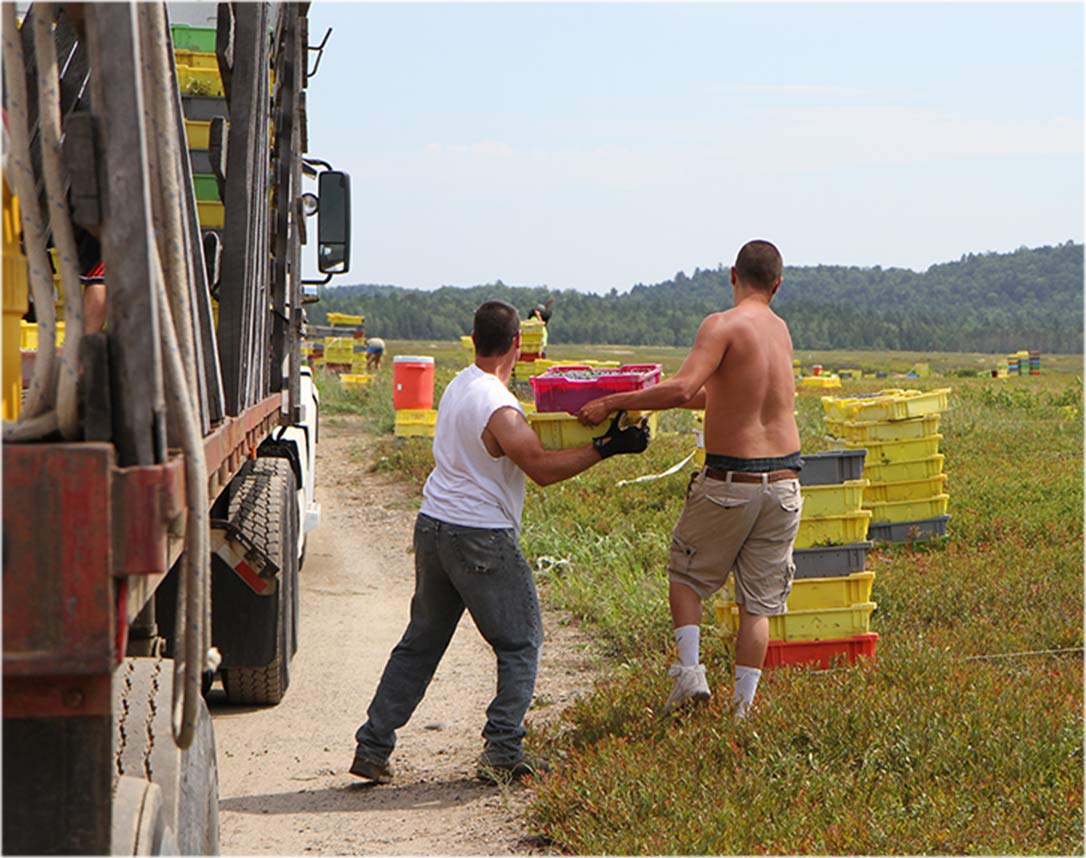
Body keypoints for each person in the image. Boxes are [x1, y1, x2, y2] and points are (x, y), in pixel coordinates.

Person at [350, 299, 650, 785]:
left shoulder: (459, 386)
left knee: (420, 644)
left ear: (473, 338)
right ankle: (504, 749)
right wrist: (607, 448)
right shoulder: (499, 407)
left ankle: (373, 744)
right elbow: (542, 470)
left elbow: (507, 386)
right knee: (521, 641)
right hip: (480, 537)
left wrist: (535, 323)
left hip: (433, 528)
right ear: (515, 344)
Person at [576, 239, 801, 719]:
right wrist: (654, 399)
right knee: (757, 606)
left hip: (730, 482)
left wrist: (614, 402)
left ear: (732, 275)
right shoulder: (781, 332)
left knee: (685, 575)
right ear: (778, 285)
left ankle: (690, 675)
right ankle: (742, 713)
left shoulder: (721, 324)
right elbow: (730, 398)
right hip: (784, 483)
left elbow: (684, 386)